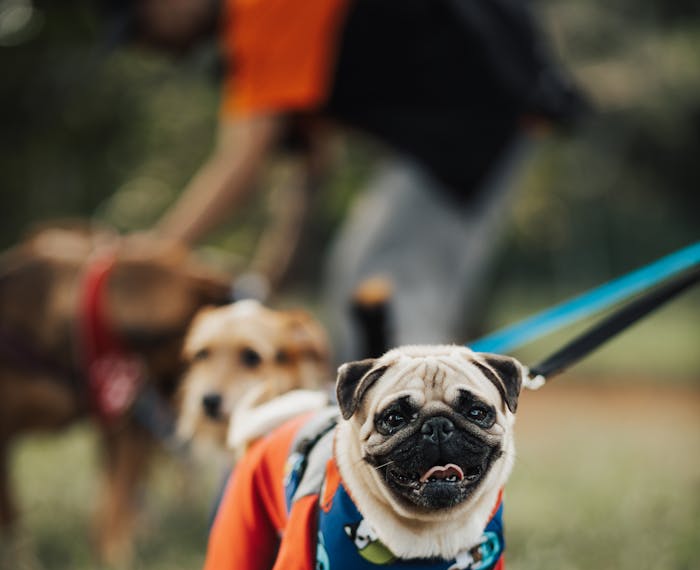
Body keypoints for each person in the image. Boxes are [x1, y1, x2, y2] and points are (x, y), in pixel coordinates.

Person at [115, 0, 585, 360]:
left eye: (140, 21)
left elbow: (242, 161)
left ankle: (429, 460)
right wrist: (270, 275)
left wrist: (152, 254)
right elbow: (311, 166)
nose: (148, 41)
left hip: (478, 111)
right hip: (473, 115)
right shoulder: (260, 31)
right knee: (362, 281)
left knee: (383, 291)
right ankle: (385, 455)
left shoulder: (260, 10)